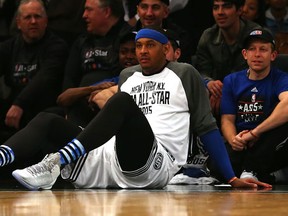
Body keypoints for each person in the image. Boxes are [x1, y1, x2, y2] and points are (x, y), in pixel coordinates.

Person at [0, 26, 271, 190]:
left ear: (166, 50)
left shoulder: (185, 72)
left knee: (122, 102)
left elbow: (207, 128)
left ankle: (57, 161)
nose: (141, 51)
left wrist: (232, 178)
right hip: (112, 157)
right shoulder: (128, 75)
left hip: (154, 162)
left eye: (149, 45)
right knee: (49, 119)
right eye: (138, 46)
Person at [220, 28, 288, 183]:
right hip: (241, 140)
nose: (257, 54)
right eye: (252, 49)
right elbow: (227, 119)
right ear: (245, 54)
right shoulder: (231, 80)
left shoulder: (281, 78)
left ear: (273, 56)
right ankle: (266, 175)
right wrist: (233, 140)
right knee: (217, 168)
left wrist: (255, 132)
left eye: (263, 49)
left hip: (268, 139)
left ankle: (252, 171)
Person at [0, 0, 68, 142]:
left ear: (46, 21)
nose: (33, 21)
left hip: (43, 106)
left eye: (37, 16)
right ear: (18, 23)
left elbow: (45, 77)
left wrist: (20, 103)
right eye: (27, 17)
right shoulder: (8, 47)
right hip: (13, 105)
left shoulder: (57, 46)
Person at [195, 0, 261, 122]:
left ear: (240, 10)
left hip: (249, 90)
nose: (220, 12)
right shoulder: (208, 36)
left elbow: (255, 72)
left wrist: (226, 92)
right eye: (216, 8)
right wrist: (209, 83)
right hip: (216, 94)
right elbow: (201, 70)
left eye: (226, 7)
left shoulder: (254, 34)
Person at [57, 31, 138, 126]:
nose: (129, 56)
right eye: (124, 52)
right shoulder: (112, 81)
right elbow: (62, 99)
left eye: (134, 52)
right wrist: (94, 89)